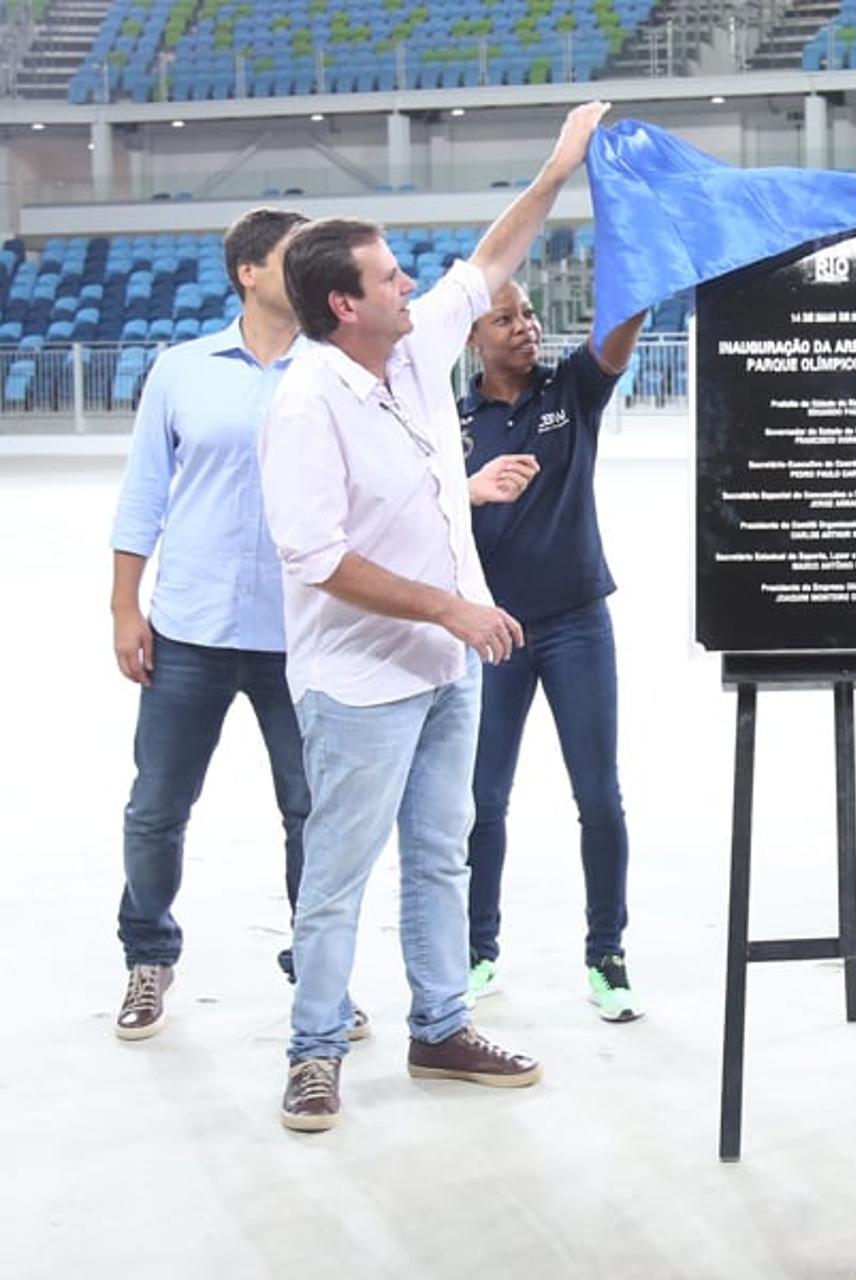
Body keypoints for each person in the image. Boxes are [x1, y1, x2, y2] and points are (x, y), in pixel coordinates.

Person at [259, 101, 610, 1133]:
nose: (410, 283)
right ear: (342, 303)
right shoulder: (305, 403)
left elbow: (491, 256)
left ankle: (441, 1021)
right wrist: (454, 606)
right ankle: (315, 1046)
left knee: (438, 853)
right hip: (362, 680)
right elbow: (315, 554)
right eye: (389, 277)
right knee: (337, 874)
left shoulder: (409, 356)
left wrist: (557, 167)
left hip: (440, 669)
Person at [106, 206, 358, 1040]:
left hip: (302, 637)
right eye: (294, 259)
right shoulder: (182, 371)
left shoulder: (334, 371)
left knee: (311, 813)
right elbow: (145, 495)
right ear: (249, 272)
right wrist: (123, 608)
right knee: (157, 807)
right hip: (190, 631)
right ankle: (148, 956)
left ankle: (316, 976)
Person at [459, 281, 647, 1020]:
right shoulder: (453, 426)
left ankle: (607, 953)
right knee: (481, 802)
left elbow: (622, 327)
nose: (524, 328)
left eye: (529, 313)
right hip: (491, 633)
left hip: (576, 625)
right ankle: (476, 951)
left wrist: (634, 263)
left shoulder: (569, 390)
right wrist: (467, 491)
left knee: (598, 796)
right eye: (504, 319)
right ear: (473, 337)